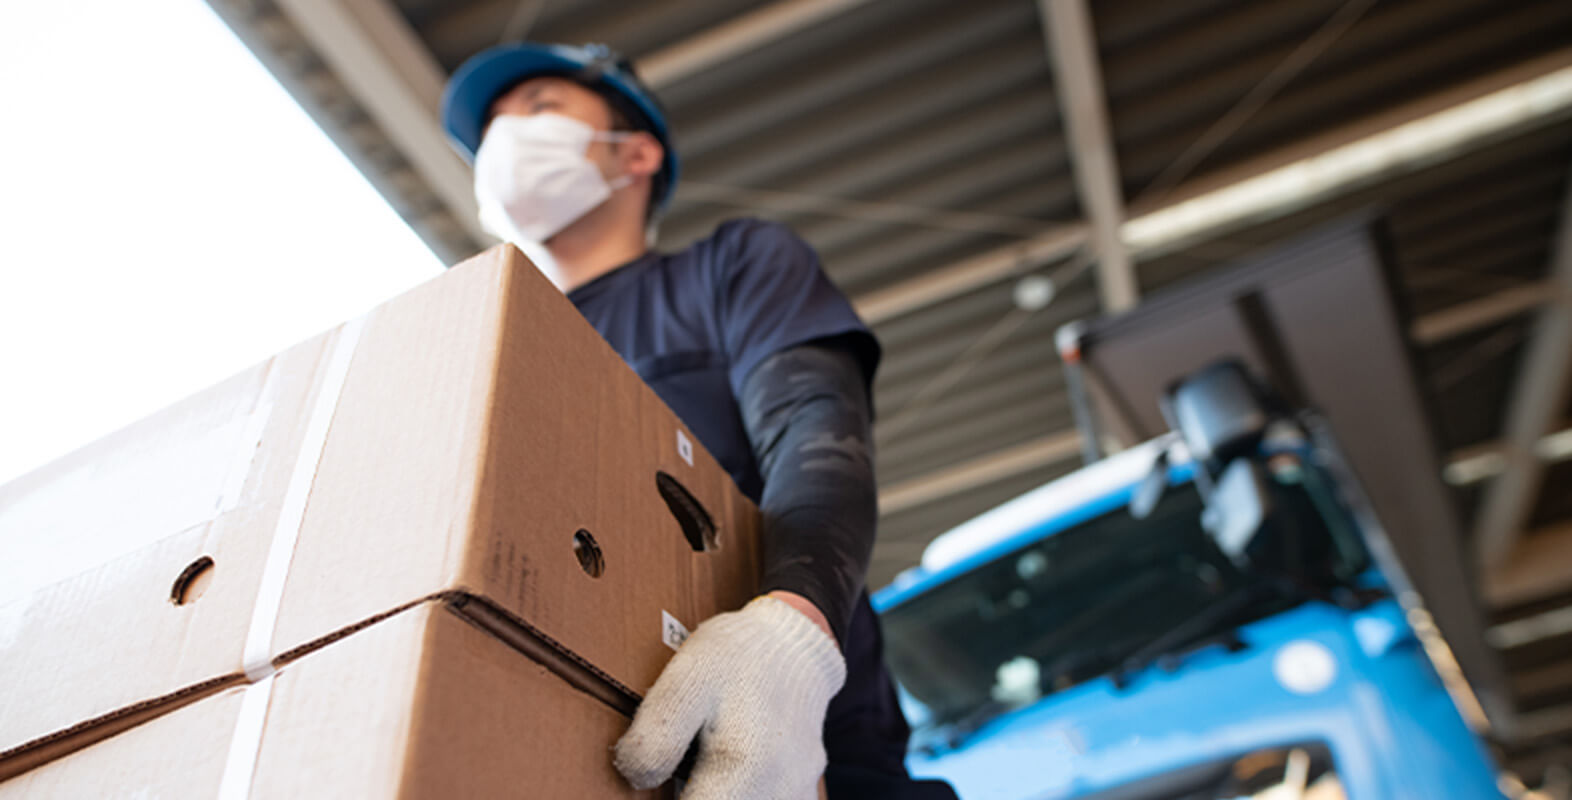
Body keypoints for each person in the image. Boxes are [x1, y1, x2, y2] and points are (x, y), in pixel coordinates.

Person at [441, 43, 958, 799]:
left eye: (540, 107)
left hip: (805, 757)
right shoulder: (485, 348)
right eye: (489, 129)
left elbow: (814, 424)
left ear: (637, 153)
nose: (505, 139)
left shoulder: (728, 268)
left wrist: (791, 631)